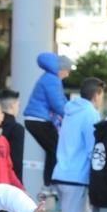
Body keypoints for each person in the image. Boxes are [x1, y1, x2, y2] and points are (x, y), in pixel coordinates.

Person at [43, 77, 105, 212]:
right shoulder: (90, 114)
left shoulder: (70, 111)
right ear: (97, 95)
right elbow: (92, 148)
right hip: (76, 179)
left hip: (62, 175)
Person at [23, 53, 72, 187]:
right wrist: (72, 114)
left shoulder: (49, 78)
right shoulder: (52, 80)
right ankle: (52, 182)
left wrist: (70, 108)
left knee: (52, 149)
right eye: (68, 71)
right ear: (61, 70)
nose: (67, 75)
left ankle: (49, 182)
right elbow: (57, 104)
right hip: (39, 120)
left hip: (36, 120)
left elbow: (61, 100)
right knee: (56, 149)